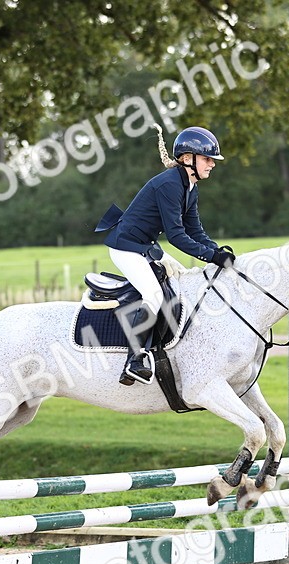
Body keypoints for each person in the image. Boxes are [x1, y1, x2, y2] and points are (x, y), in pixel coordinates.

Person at [94, 125, 235, 385]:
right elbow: (177, 236)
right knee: (154, 295)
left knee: (180, 283)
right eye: (207, 159)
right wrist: (211, 257)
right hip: (125, 247)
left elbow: (195, 230)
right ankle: (134, 360)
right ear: (187, 158)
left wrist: (216, 251)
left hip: (144, 247)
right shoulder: (170, 184)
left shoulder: (189, 187)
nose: (212, 164)